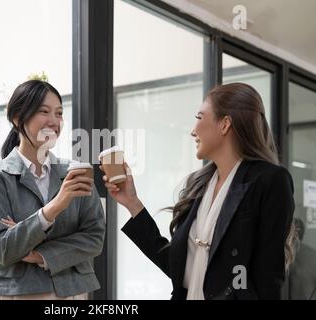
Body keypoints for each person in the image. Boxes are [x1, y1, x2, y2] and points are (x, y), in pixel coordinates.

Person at [101, 82, 295, 300]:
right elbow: (177, 268)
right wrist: (132, 202)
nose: (193, 131)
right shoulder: (199, 184)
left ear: (225, 124)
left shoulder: (270, 180)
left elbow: (269, 277)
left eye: (200, 117)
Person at [0, 80, 105, 300]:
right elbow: (3, 248)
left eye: (59, 113)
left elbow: (94, 238)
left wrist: (39, 254)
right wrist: (56, 205)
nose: (54, 121)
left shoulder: (75, 172)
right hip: (17, 293)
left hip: (73, 292)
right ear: (18, 118)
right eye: (44, 111)